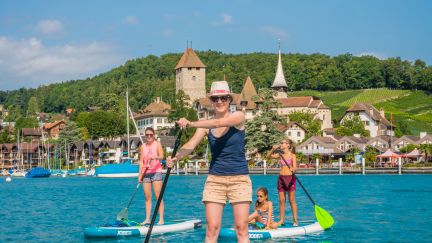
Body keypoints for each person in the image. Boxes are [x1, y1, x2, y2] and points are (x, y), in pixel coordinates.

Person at [167, 81, 252, 243]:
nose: (219, 101)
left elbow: (220, 123)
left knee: (241, 228)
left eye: (224, 98)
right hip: (215, 180)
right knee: (212, 228)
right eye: (215, 99)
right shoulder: (205, 126)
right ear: (211, 101)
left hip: (240, 179)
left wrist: (190, 123)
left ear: (229, 99)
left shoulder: (239, 117)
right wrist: (175, 158)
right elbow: (190, 145)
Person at [268, 137, 298, 227]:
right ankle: (281, 220)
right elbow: (268, 156)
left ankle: (295, 221)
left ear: (288, 145)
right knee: (281, 201)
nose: (281, 144)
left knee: (292, 200)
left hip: (290, 178)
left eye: (283, 143)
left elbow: (295, 167)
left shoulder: (293, 156)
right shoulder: (280, 155)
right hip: (281, 178)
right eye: (280, 143)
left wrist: (293, 169)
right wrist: (273, 149)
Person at [138, 127, 165, 225]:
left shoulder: (157, 144)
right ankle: (147, 219)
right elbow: (141, 161)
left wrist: (156, 157)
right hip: (146, 173)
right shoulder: (143, 146)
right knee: (147, 197)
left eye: (151, 135)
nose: (149, 136)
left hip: (156, 172)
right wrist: (140, 175)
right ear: (145, 136)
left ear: (153, 135)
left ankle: (161, 219)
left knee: (158, 196)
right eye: (147, 135)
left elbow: (162, 156)